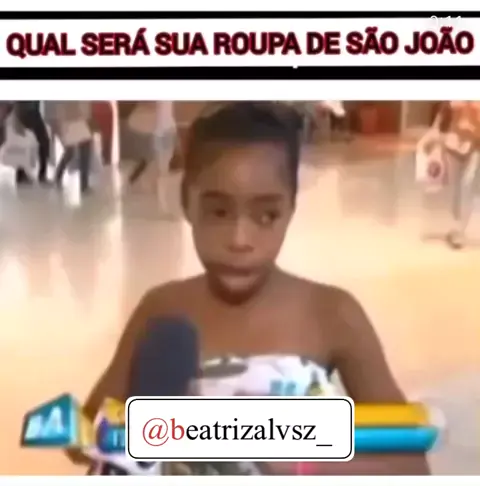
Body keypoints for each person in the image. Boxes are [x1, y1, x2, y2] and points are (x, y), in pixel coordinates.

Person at [78, 102, 429, 475]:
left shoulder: (333, 315)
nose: (240, 239)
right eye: (219, 212)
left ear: (291, 209)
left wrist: (306, 465)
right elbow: (84, 437)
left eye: (266, 215)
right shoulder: (162, 309)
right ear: (186, 203)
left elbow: (410, 463)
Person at [418, 101, 480, 249]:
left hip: (474, 146)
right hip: (453, 145)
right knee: (455, 189)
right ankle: (456, 226)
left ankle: (460, 230)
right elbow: (441, 117)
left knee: (466, 186)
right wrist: (433, 137)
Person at [13, 101, 51, 185]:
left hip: (25, 111)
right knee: (44, 142)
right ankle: (42, 175)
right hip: (29, 111)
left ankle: (21, 174)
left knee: (23, 142)